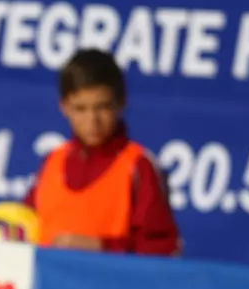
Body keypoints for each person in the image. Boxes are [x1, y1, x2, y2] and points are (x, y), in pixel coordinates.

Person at [24, 48, 182, 256]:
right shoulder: (53, 161)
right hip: (49, 286)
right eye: (81, 109)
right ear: (64, 107)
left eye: (103, 107)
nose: (92, 120)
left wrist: (101, 247)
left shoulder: (137, 166)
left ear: (121, 102)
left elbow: (164, 248)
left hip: (110, 287)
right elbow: (24, 227)